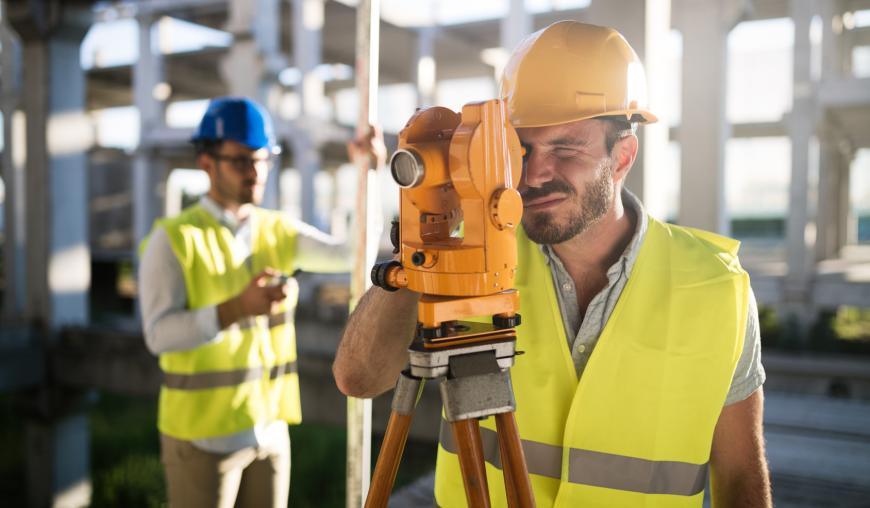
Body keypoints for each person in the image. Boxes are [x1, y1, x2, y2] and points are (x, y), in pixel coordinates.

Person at [333, 21, 772, 507]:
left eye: (566, 149)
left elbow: (739, 475)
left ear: (623, 155)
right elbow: (360, 378)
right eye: (521, 149)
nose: (537, 173)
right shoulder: (465, 262)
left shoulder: (715, 286)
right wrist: (424, 241)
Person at [139, 96, 369, 508]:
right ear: (206, 162)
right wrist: (235, 308)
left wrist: (366, 172)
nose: (256, 171)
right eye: (241, 160)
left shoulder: (276, 229)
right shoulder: (173, 239)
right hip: (202, 439)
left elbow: (350, 255)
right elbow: (159, 336)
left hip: (270, 433)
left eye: (263, 159)